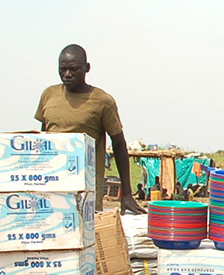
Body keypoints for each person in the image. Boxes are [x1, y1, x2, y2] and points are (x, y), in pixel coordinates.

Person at [35, 44, 144, 214]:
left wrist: (127, 194)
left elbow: (119, 144)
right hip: (52, 182)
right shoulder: (49, 95)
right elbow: (43, 138)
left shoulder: (102, 101)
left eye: (73, 69)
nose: (67, 74)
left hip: (86, 187)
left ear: (87, 68)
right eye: (62, 69)